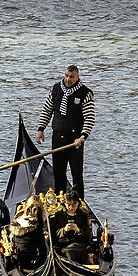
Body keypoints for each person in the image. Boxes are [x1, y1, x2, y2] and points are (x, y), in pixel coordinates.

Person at [38, 64, 96, 198]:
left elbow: (89, 118)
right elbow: (47, 110)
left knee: (76, 174)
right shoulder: (56, 89)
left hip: (75, 140)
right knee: (58, 173)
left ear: (77, 77)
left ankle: (79, 203)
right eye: (66, 76)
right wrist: (41, 129)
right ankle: (59, 202)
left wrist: (82, 137)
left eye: (71, 77)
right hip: (57, 138)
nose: (68, 79)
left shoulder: (85, 93)